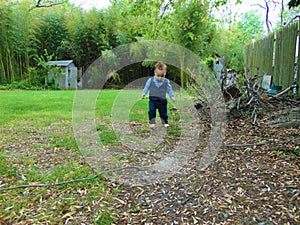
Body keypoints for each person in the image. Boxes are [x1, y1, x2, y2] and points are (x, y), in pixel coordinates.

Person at [141, 62, 175, 128]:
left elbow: (169, 89)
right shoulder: (150, 80)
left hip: (162, 100)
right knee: (151, 111)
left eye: (162, 76)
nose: (160, 78)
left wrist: (172, 96)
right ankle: (152, 122)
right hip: (153, 100)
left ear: (165, 74)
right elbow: (146, 87)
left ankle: (165, 122)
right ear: (155, 73)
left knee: (163, 112)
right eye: (158, 76)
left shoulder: (166, 82)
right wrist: (144, 93)